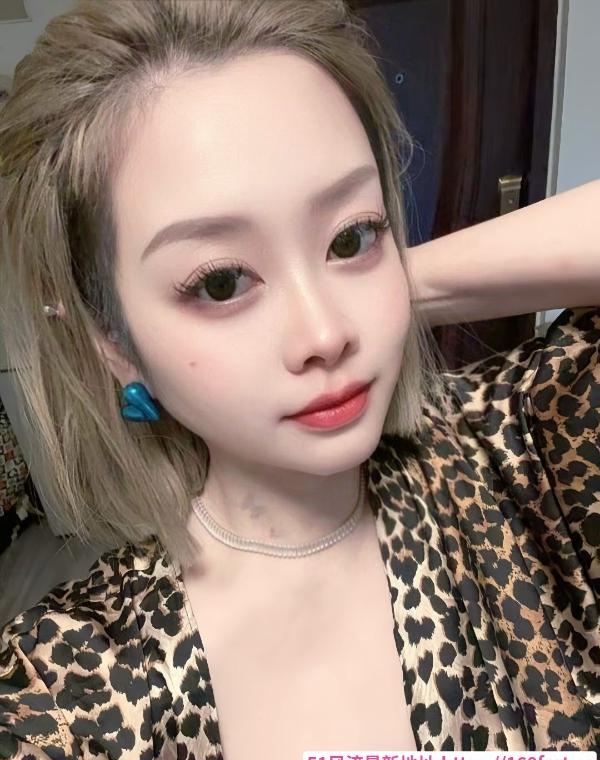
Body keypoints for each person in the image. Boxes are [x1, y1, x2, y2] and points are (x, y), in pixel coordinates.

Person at [0, 0, 598, 757]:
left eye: (353, 235)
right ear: (112, 341)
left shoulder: (529, 456)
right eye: (220, 283)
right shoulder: (65, 692)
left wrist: (400, 283)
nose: (324, 334)